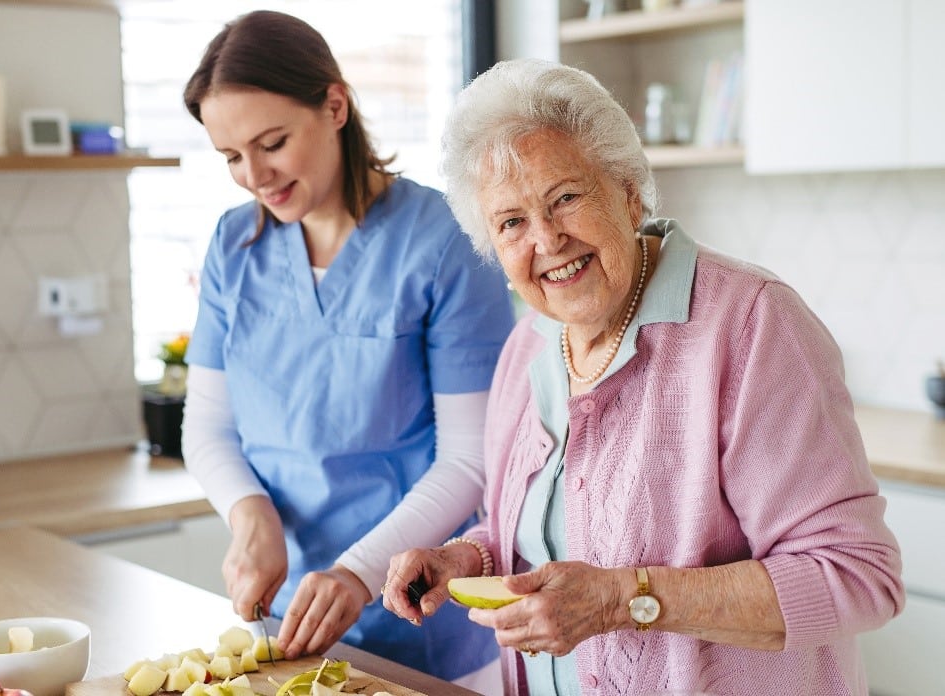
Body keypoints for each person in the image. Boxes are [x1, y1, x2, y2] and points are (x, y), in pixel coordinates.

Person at [382, 58, 904, 696]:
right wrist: (468, 559)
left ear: (628, 190)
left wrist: (623, 599)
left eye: (566, 197)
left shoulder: (751, 324)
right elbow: (538, 534)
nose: (546, 240)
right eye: (512, 222)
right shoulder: (527, 347)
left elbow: (855, 576)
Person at [179, 10, 514, 690]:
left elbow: (473, 458)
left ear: (335, 105)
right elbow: (207, 426)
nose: (253, 175)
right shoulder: (233, 248)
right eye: (231, 157)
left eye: (272, 142)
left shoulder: (446, 241)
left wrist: (361, 571)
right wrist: (252, 515)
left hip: (420, 614)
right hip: (287, 622)